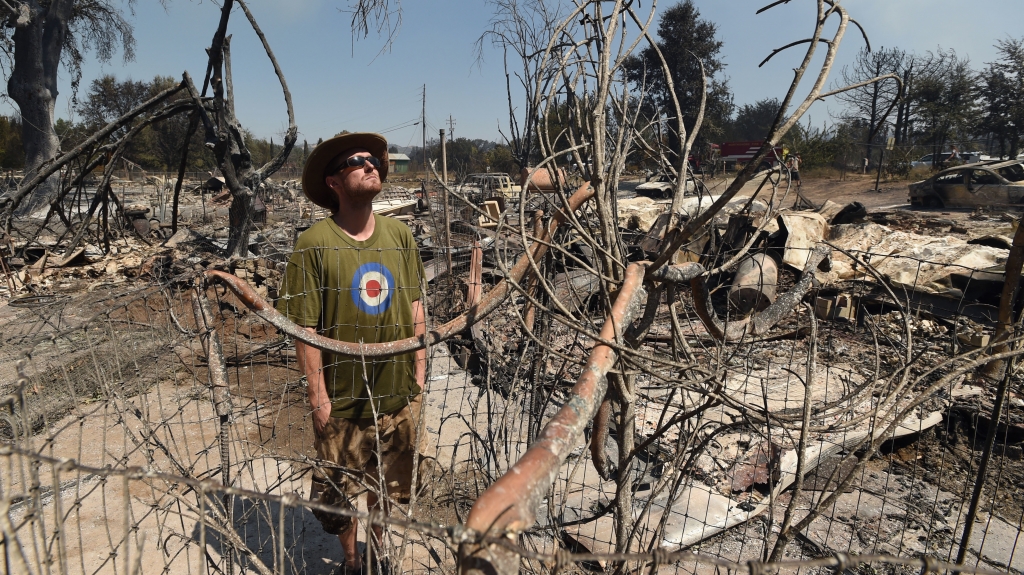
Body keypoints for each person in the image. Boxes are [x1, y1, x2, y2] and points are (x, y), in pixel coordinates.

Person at [276, 132, 427, 574]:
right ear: (334, 183)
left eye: (374, 160)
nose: (371, 165)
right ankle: (352, 559)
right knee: (339, 493)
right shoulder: (314, 245)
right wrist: (318, 397)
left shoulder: (400, 236)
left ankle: (380, 552)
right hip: (341, 400)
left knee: (387, 484)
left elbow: (416, 305)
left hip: (397, 394)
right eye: (357, 161)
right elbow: (304, 328)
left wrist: (418, 371)